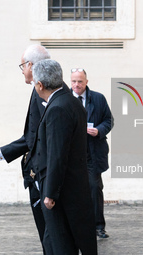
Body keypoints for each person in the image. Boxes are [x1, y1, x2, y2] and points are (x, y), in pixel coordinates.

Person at [0, 45, 54, 254]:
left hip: (43, 175)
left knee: (49, 233)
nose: (22, 71)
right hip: (41, 174)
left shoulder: (43, 94)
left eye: (22, 66)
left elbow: (31, 138)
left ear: (31, 66)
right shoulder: (43, 91)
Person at [31, 59, 97, 255]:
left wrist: (50, 193)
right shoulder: (71, 101)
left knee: (61, 245)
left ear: (40, 85)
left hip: (61, 193)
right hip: (73, 187)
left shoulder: (58, 108)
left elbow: (57, 155)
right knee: (53, 242)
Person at [70, 68, 113, 238]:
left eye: (80, 81)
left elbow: (109, 120)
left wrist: (99, 130)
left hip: (92, 152)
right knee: (72, 190)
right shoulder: (65, 99)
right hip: (71, 153)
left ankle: (98, 226)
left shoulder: (98, 98)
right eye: (74, 81)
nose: (77, 85)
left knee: (94, 188)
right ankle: (75, 227)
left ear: (86, 82)